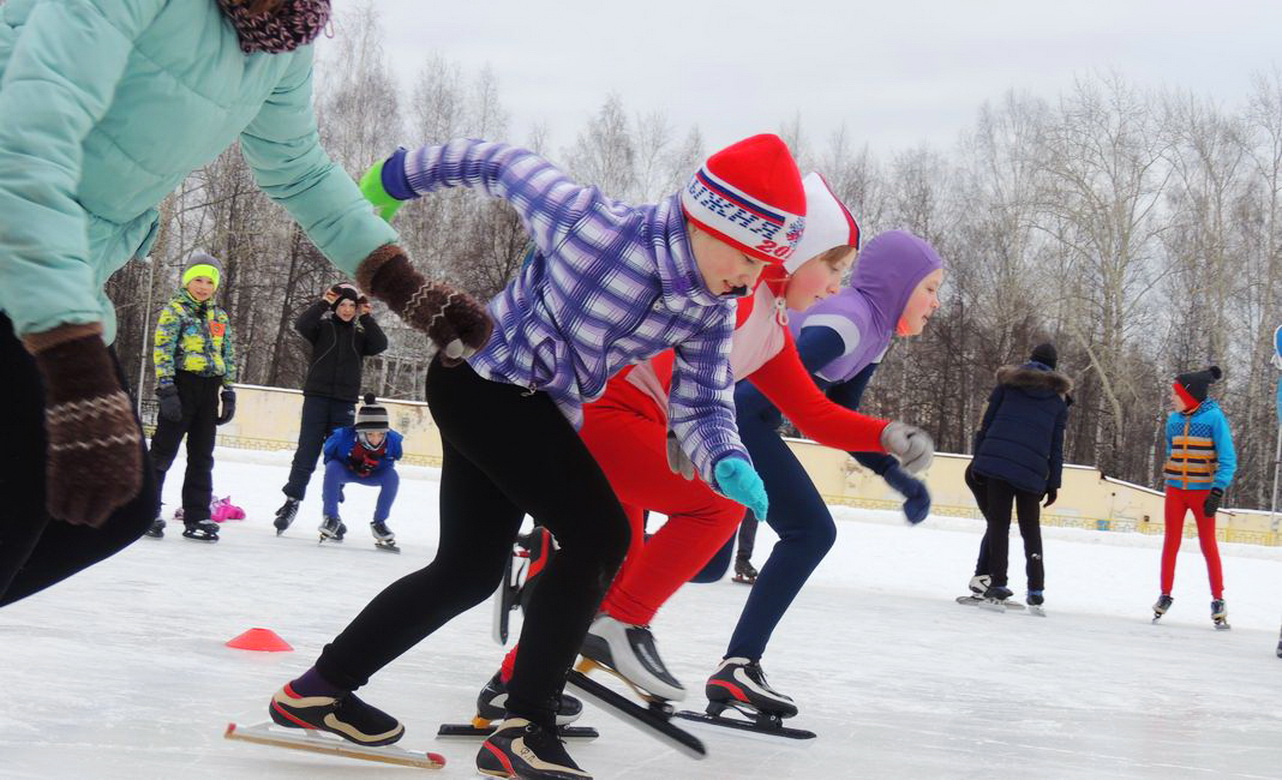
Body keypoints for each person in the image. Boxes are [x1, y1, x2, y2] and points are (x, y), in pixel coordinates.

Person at [266, 134, 807, 780]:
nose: (750, 279)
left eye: (765, 266)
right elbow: (500, 163)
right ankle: (527, 727)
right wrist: (393, 180)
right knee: (600, 533)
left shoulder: (712, 309)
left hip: (530, 407)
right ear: (707, 220)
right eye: (749, 257)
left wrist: (724, 458)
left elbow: (705, 401)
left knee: (468, 571)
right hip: (479, 379)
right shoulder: (595, 226)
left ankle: (318, 689)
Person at [0, 0, 486, 606]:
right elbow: (22, 145)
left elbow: (300, 169)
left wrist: (401, 283)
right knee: (23, 504)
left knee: (117, 509)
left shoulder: (282, 40)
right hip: (22, 245)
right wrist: (73, 367)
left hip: (65, 268)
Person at [473, 176, 934, 717]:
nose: (836, 287)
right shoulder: (738, 303)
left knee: (613, 563)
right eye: (832, 268)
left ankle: (514, 683)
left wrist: (882, 435)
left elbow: (813, 413)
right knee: (717, 506)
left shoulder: (773, 327)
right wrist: (681, 430)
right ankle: (622, 626)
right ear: (796, 254)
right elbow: (673, 356)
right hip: (607, 415)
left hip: (631, 423)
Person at [706, 229, 944, 718]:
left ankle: (581, 580)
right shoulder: (847, 323)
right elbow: (761, 395)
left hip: (742, 420)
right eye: (931, 288)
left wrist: (895, 476)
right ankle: (739, 665)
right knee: (809, 532)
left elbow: (836, 418)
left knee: (710, 561)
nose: (936, 304)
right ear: (900, 285)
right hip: (732, 418)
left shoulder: (873, 336)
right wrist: (724, 448)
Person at [963, 342, 1071, 608]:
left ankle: (998, 584)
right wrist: (1053, 483)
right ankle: (1036, 589)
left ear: (1030, 360)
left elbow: (985, 425)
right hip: (1033, 472)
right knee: (1030, 529)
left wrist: (979, 460)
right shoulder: (1058, 402)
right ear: (1054, 368)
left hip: (997, 464)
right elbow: (1057, 447)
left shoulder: (1007, 385)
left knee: (999, 523)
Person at [274, 283, 388, 533]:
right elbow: (302, 324)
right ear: (335, 307)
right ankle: (291, 502)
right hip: (317, 398)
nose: (347, 310)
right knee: (307, 452)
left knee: (339, 457)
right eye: (342, 305)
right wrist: (324, 303)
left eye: (351, 306)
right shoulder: (323, 328)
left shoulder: (360, 336)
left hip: (344, 402)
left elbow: (380, 344)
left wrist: (367, 317)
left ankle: (332, 513)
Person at [145, 253, 237, 542]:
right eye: (198, 279)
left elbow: (228, 354)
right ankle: (145, 510)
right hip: (181, 386)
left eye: (209, 281)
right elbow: (162, 351)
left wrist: (229, 390)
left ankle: (197, 515)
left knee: (202, 455)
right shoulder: (175, 312)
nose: (203, 286)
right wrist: (167, 389)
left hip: (209, 389)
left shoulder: (219, 316)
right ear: (187, 280)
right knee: (163, 452)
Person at [1152, 366, 1236, 627]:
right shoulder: (1174, 420)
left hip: (1202, 492)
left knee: (1208, 545)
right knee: (1171, 542)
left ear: (1189, 396)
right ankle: (1165, 594)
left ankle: (1218, 599)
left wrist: (1217, 489)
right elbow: (1171, 448)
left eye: (1175, 394)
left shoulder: (1214, 419)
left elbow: (1228, 459)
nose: (1172, 399)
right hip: (1176, 490)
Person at [318, 394, 403, 550]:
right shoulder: (341, 437)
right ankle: (331, 518)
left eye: (380, 434)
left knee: (392, 477)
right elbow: (329, 457)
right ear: (359, 431)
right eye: (370, 434)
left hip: (374, 474)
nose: (376, 439)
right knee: (332, 468)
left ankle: (380, 523)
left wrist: (374, 464)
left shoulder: (393, 441)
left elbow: (393, 460)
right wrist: (336, 488)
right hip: (346, 471)